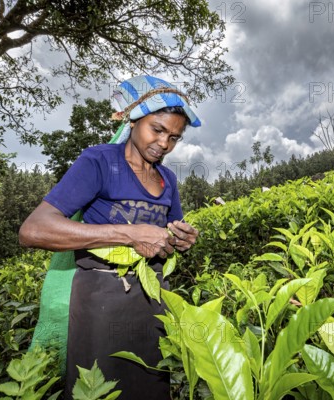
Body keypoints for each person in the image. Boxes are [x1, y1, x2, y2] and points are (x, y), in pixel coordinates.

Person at [19, 75, 200, 399]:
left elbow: (167, 233)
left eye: (174, 137)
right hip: (101, 299)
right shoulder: (99, 162)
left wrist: (180, 239)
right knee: (98, 385)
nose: (164, 143)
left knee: (150, 382)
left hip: (153, 298)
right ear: (132, 120)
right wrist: (128, 234)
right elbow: (34, 230)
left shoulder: (168, 179)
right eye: (157, 129)